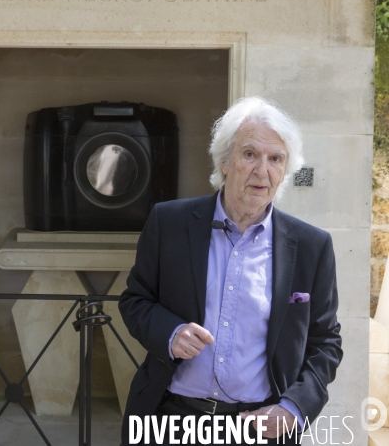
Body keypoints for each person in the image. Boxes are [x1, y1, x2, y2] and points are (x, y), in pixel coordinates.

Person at [118, 96, 342, 445]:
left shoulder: (312, 246)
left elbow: (326, 342)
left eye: (275, 159)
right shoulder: (170, 222)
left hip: (257, 428)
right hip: (170, 419)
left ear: (284, 171)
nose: (262, 171)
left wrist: (294, 407)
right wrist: (171, 332)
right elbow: (135, 300)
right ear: (225, 161)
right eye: (250, 154)